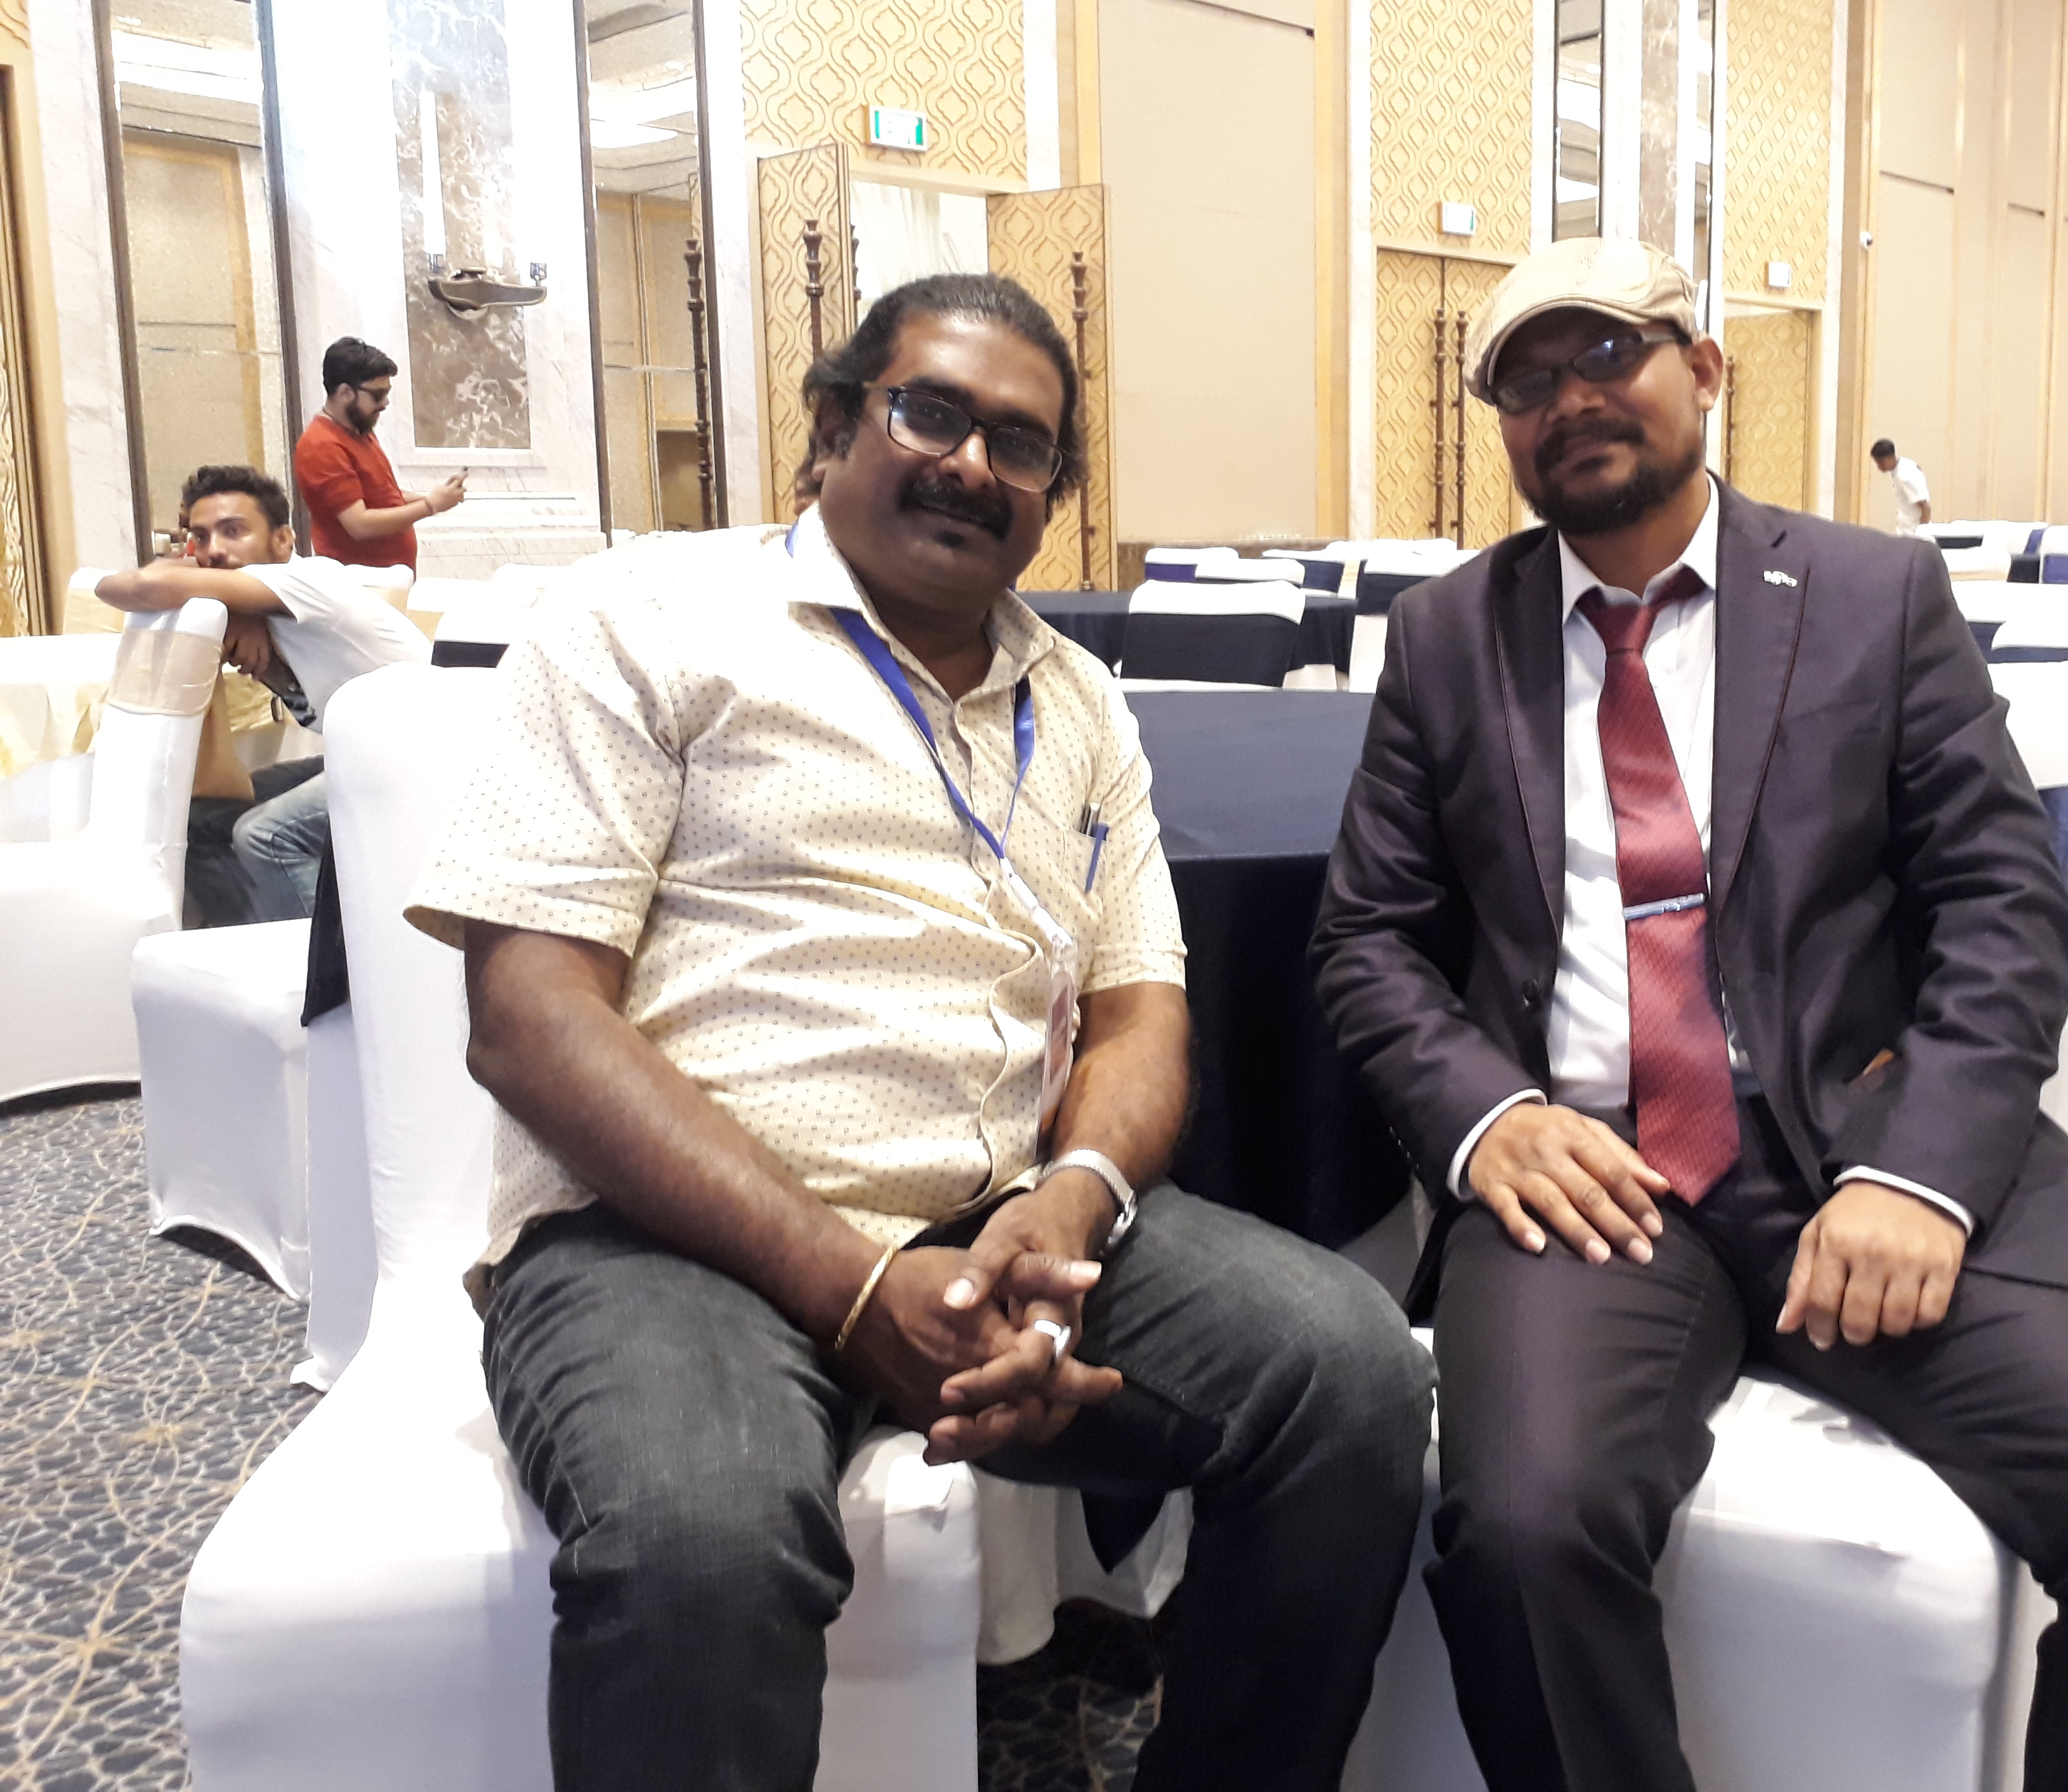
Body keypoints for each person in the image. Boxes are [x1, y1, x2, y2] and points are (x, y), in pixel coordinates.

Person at [404, 272, 1432, 1792]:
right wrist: (855, 1285)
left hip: (998, 1226)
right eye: (929, 413)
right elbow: (528, 1018)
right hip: (668, 1239)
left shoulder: (1079, 703)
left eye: (1019, 444)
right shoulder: (648, 616)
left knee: (1349, 1379)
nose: (970, 464)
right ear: (833, 424)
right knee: (702, 1540)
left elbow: (1143, 1012)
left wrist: (1067, 1203)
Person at [1312, 236, 2068, 1792]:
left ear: (1705, 370)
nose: (1569, 400)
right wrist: (1489, 1120)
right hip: (1595, 1182)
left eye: (1607, 354)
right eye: (1526, 381)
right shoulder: (1446, 639)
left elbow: (2003, 905)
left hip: (1864, 1149)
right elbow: (1367, 940)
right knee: (1524, 1533)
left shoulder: (1870, 595)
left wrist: (1918, 1173)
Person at [96, 464, 430, 922]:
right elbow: (110, 587)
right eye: (200, 537)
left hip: (424, 756)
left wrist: (232, 600)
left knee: (266, 836)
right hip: (362, 755)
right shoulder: (262, 599)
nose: (214, 551)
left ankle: (314, 963)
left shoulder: (312, 581)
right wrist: (237, 607)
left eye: (233, 531)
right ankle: (248, 936)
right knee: (202, 819)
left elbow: (146, 585)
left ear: (283, 541)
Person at [292, 336, 466, 570]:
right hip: (359, 581)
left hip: (387, 577)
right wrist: (430, 506)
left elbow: (381, 496)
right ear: (345, 392)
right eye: (377, 395)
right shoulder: (322, 445)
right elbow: (359, 525)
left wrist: (437, 496)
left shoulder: (360, 429)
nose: (385, 403)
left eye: (387, 393)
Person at [1870, 435, 1932, 532]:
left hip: (1912, 529)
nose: (1879, 467)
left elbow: (1925, 507)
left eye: (1881, 463)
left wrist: (1922, 533)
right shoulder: (1905, 464)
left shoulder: (1904, 477)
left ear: (1891, 458)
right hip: (1905, 525)